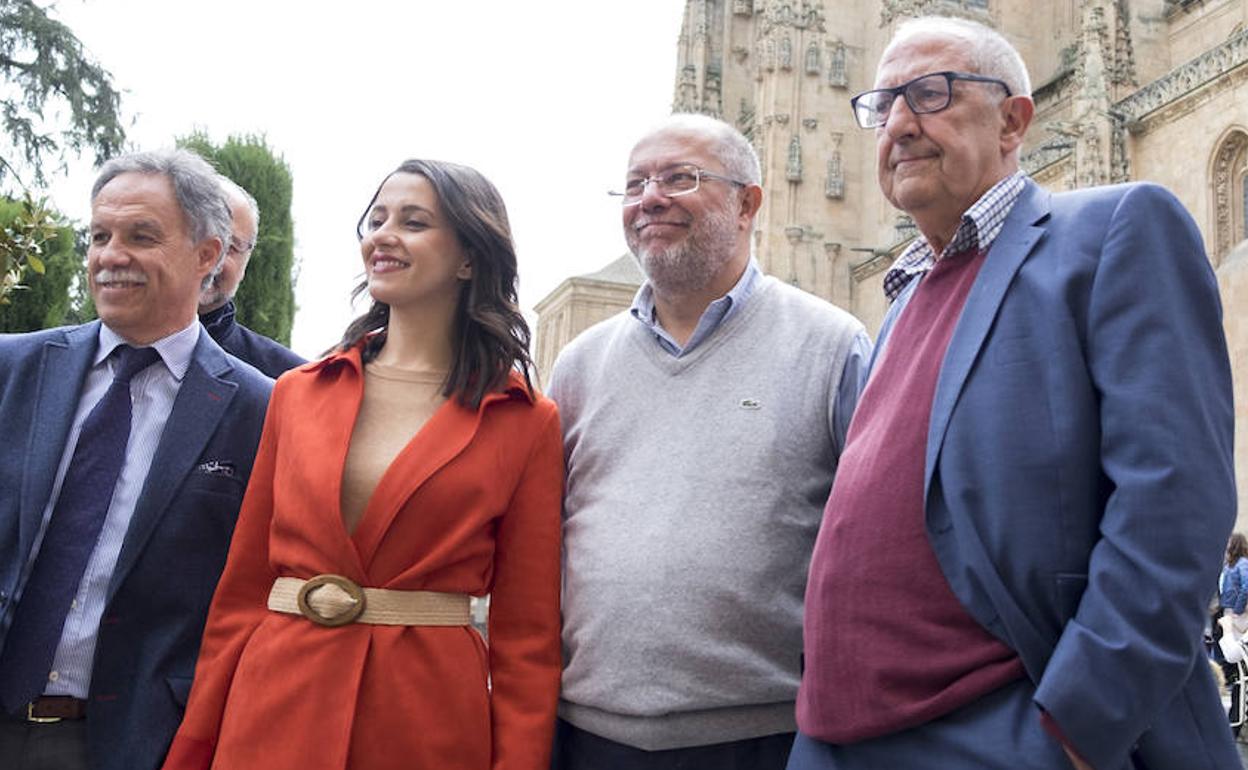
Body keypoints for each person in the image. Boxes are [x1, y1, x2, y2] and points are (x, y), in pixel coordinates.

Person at [789, 15, 1238, 770]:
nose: (898, 122)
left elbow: (1175, 499)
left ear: (1013, 120)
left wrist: (1077, 726)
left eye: (929, 93)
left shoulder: (1111, 231)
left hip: (999, 732)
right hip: (837, 736)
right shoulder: (899, 300)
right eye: (883, 104)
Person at [163, 159, 563, 770]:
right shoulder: (296, 393)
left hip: (424, 721)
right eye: (376, 219)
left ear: (469, 258)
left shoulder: (525, 420)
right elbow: (240, 593)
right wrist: (196, 746)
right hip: (274, 710)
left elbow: (527, 637)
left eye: (414, 221)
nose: (383, 234)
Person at [548, 113, 870, 770]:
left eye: (680, 177)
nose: (650, 197)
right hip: (587, 735)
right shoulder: (580, 365)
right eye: (635, 183)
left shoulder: (832, 346)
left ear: (749, 202)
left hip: (763, 738)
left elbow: (871, 545)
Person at [0, 149, 273, 770]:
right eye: (99, 235)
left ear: (208, 255)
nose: (110, 256)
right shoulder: (11, 370)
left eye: (141, 236)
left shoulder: (260, 410)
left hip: (125, 742)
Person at [198, 176, 306, 378]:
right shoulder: (122, 340)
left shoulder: (284, 378)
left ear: (245, 263)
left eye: (230, 246)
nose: (210, 257)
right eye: (197, 237)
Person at [1217, 533, 1248, 736]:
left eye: (1229, 542)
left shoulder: (1242, 563)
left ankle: (1237, 719)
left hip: (1236, 615)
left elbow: (1246, 586)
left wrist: (1236, 610)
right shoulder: (1231, 564)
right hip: (1227, 612)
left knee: (1236, 656)